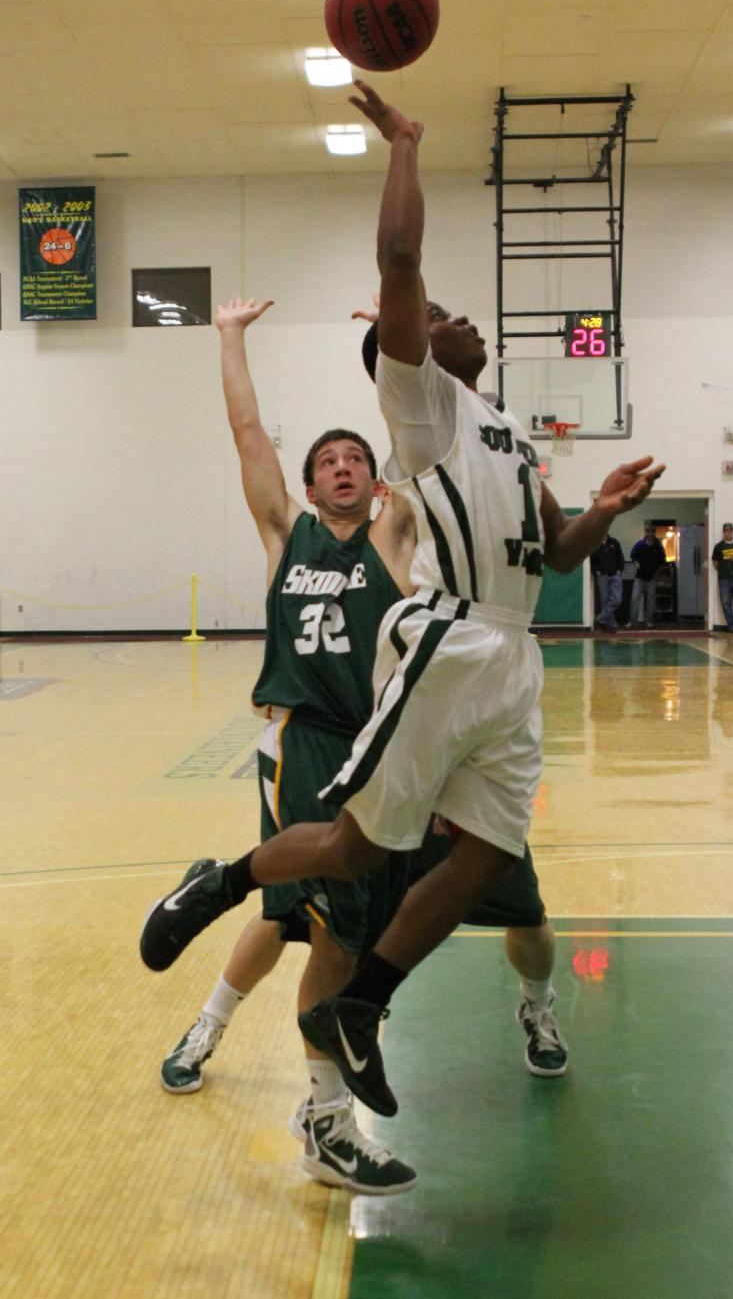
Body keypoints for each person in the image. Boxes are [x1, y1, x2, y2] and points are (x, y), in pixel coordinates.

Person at [140, 82, 664, 1118]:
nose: (462, 321)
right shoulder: (424, 409)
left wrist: (602, 508)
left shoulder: (505, 432)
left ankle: (362, 1004)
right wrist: (406, 148)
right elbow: (402, 265)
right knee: (355, 846)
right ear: (404, 358)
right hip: (452, 639)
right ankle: (226, 877)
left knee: (493, 852)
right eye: (441, 321)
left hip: (515, 656)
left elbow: (556, 550)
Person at [161, 295, 419, 1195]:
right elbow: (246, 436)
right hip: (303, 744)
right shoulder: (287, 535)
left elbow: (418, 431)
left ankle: (296, 1090)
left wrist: (394, 346)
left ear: (376, 484)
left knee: (320, 929)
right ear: (308, 489)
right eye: (326, 462)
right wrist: (228, 336)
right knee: (323, 929)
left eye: (356, 459)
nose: (342, 467)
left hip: (377, 751)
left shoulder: (393, 534)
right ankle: (324, 1123)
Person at [629, 524, 666, 629]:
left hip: (652, 577)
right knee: (635, 598)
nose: (649, 534)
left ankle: (649, 621)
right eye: (648, 532)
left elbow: (662, 562)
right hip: (639, 577)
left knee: (651, 601)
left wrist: (656, 573)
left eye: (651, 532)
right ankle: (633, 622)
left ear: (654, 534)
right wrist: (636, 564)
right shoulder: (639, 545)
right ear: (646, 533)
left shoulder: (658, 547)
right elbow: (632, 556)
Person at [590, 533, 625, 631]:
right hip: (602, 575)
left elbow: (620, 557)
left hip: (615, 574)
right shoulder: (595, 544)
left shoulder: (614, 542)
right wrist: (596, 571)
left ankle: (600, 619)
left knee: (617, 599)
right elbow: (591, 561)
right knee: (604, 600)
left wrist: (619, 569)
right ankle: (612, 625)